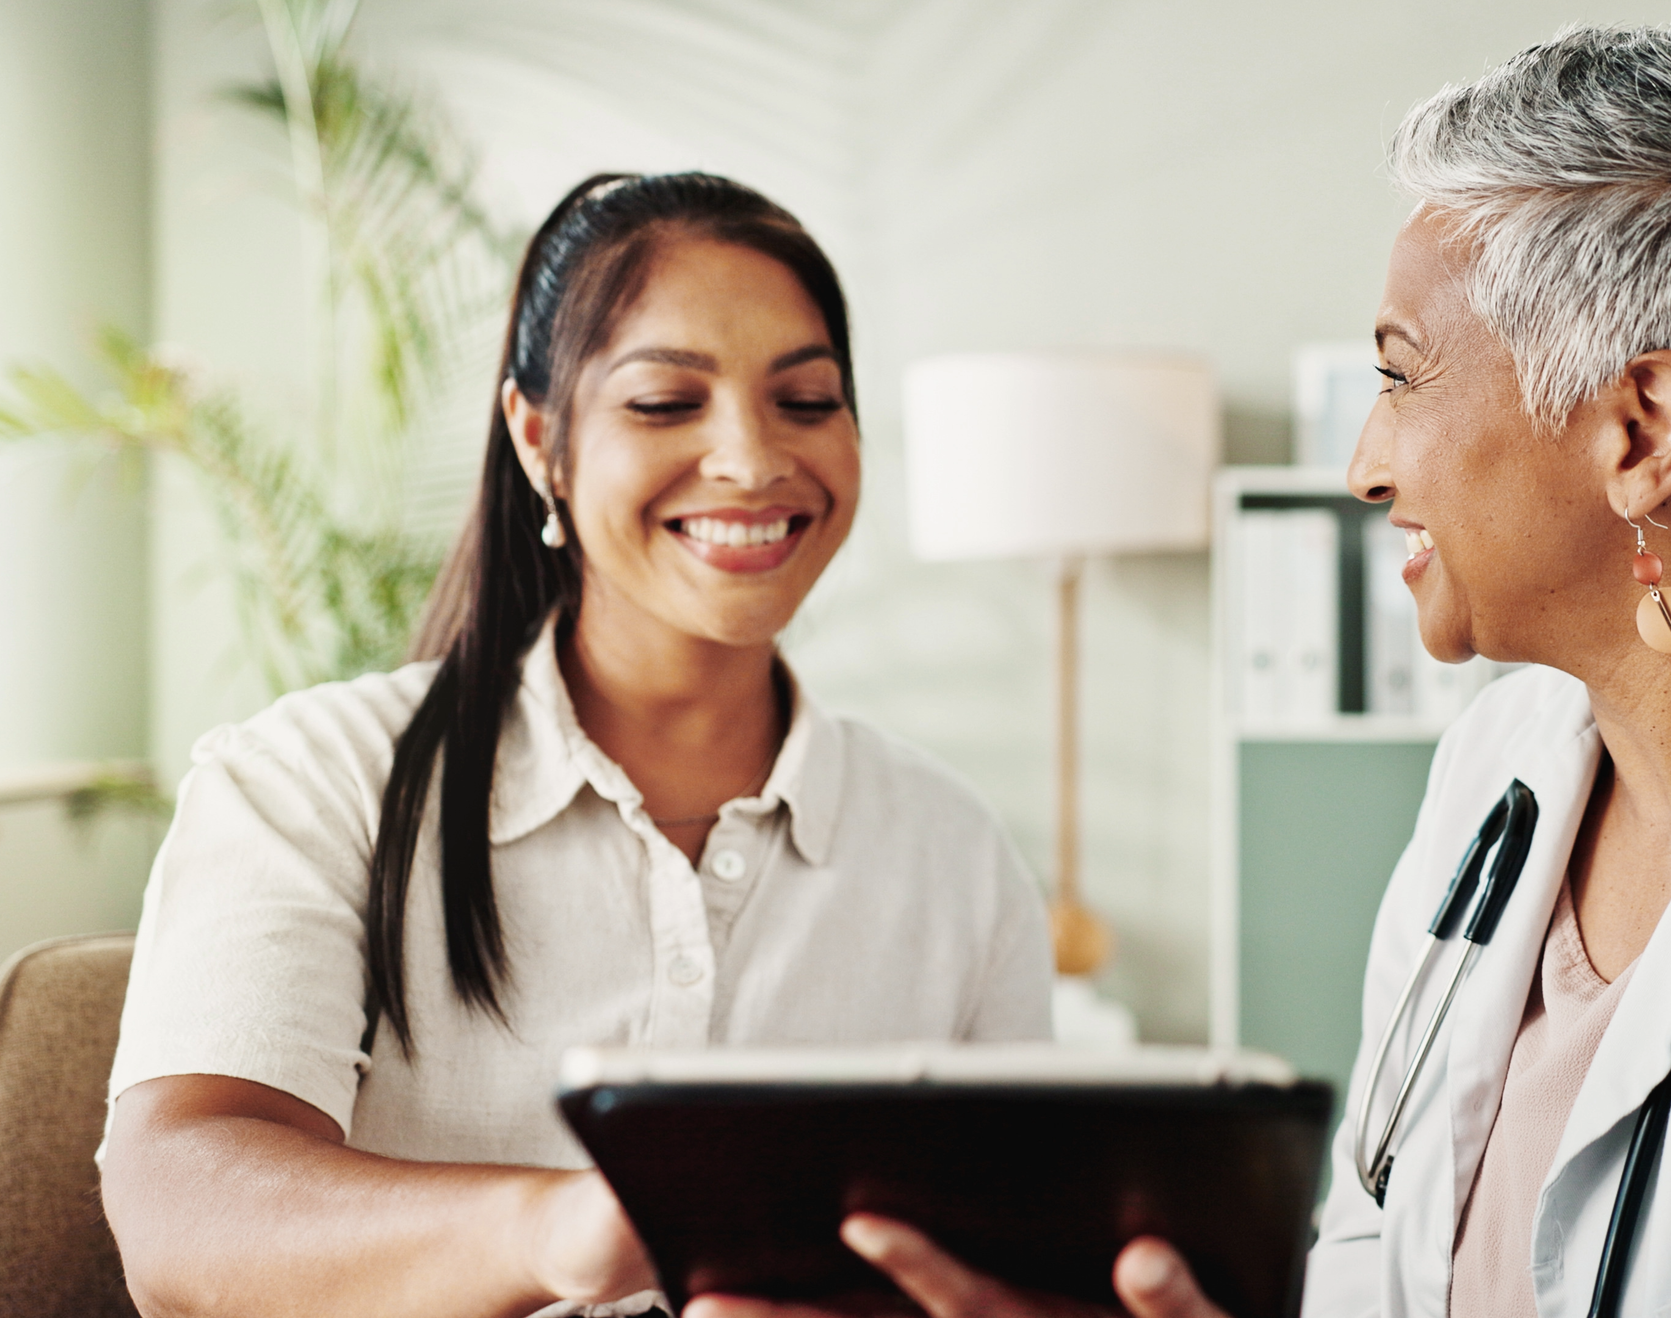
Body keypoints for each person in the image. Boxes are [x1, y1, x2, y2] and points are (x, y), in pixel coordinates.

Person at [697, 26, 1671, 1318]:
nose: (1367, 464)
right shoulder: (1506, 766)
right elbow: (1380, 1269)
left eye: (1399, 375)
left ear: (1641, 431)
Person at [100, 172, 1054, 1318]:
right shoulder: (312, 779)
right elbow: (178, 1214)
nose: (752, 460)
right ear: (538, 437)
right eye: (664, 404)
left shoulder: (949, 848)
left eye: (805, 400)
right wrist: (565, 1228)